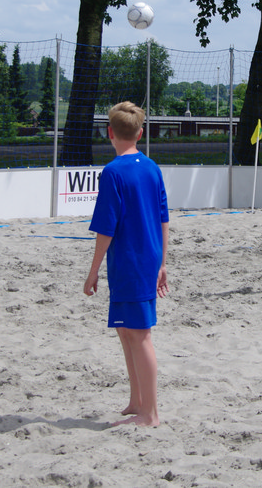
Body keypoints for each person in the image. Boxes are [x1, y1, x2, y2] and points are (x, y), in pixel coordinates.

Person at [84, 101, 170, 427]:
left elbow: (106, 228)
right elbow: (163, 219)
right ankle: (137, 401)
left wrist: (93, 271)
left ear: (109, 132)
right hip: (144, 259)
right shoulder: (151, 167)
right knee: (125, 330)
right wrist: (162, 262)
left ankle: (151, 413)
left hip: (132, 262)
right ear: (140, 133)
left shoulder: (113, 172)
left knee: (140, 334)